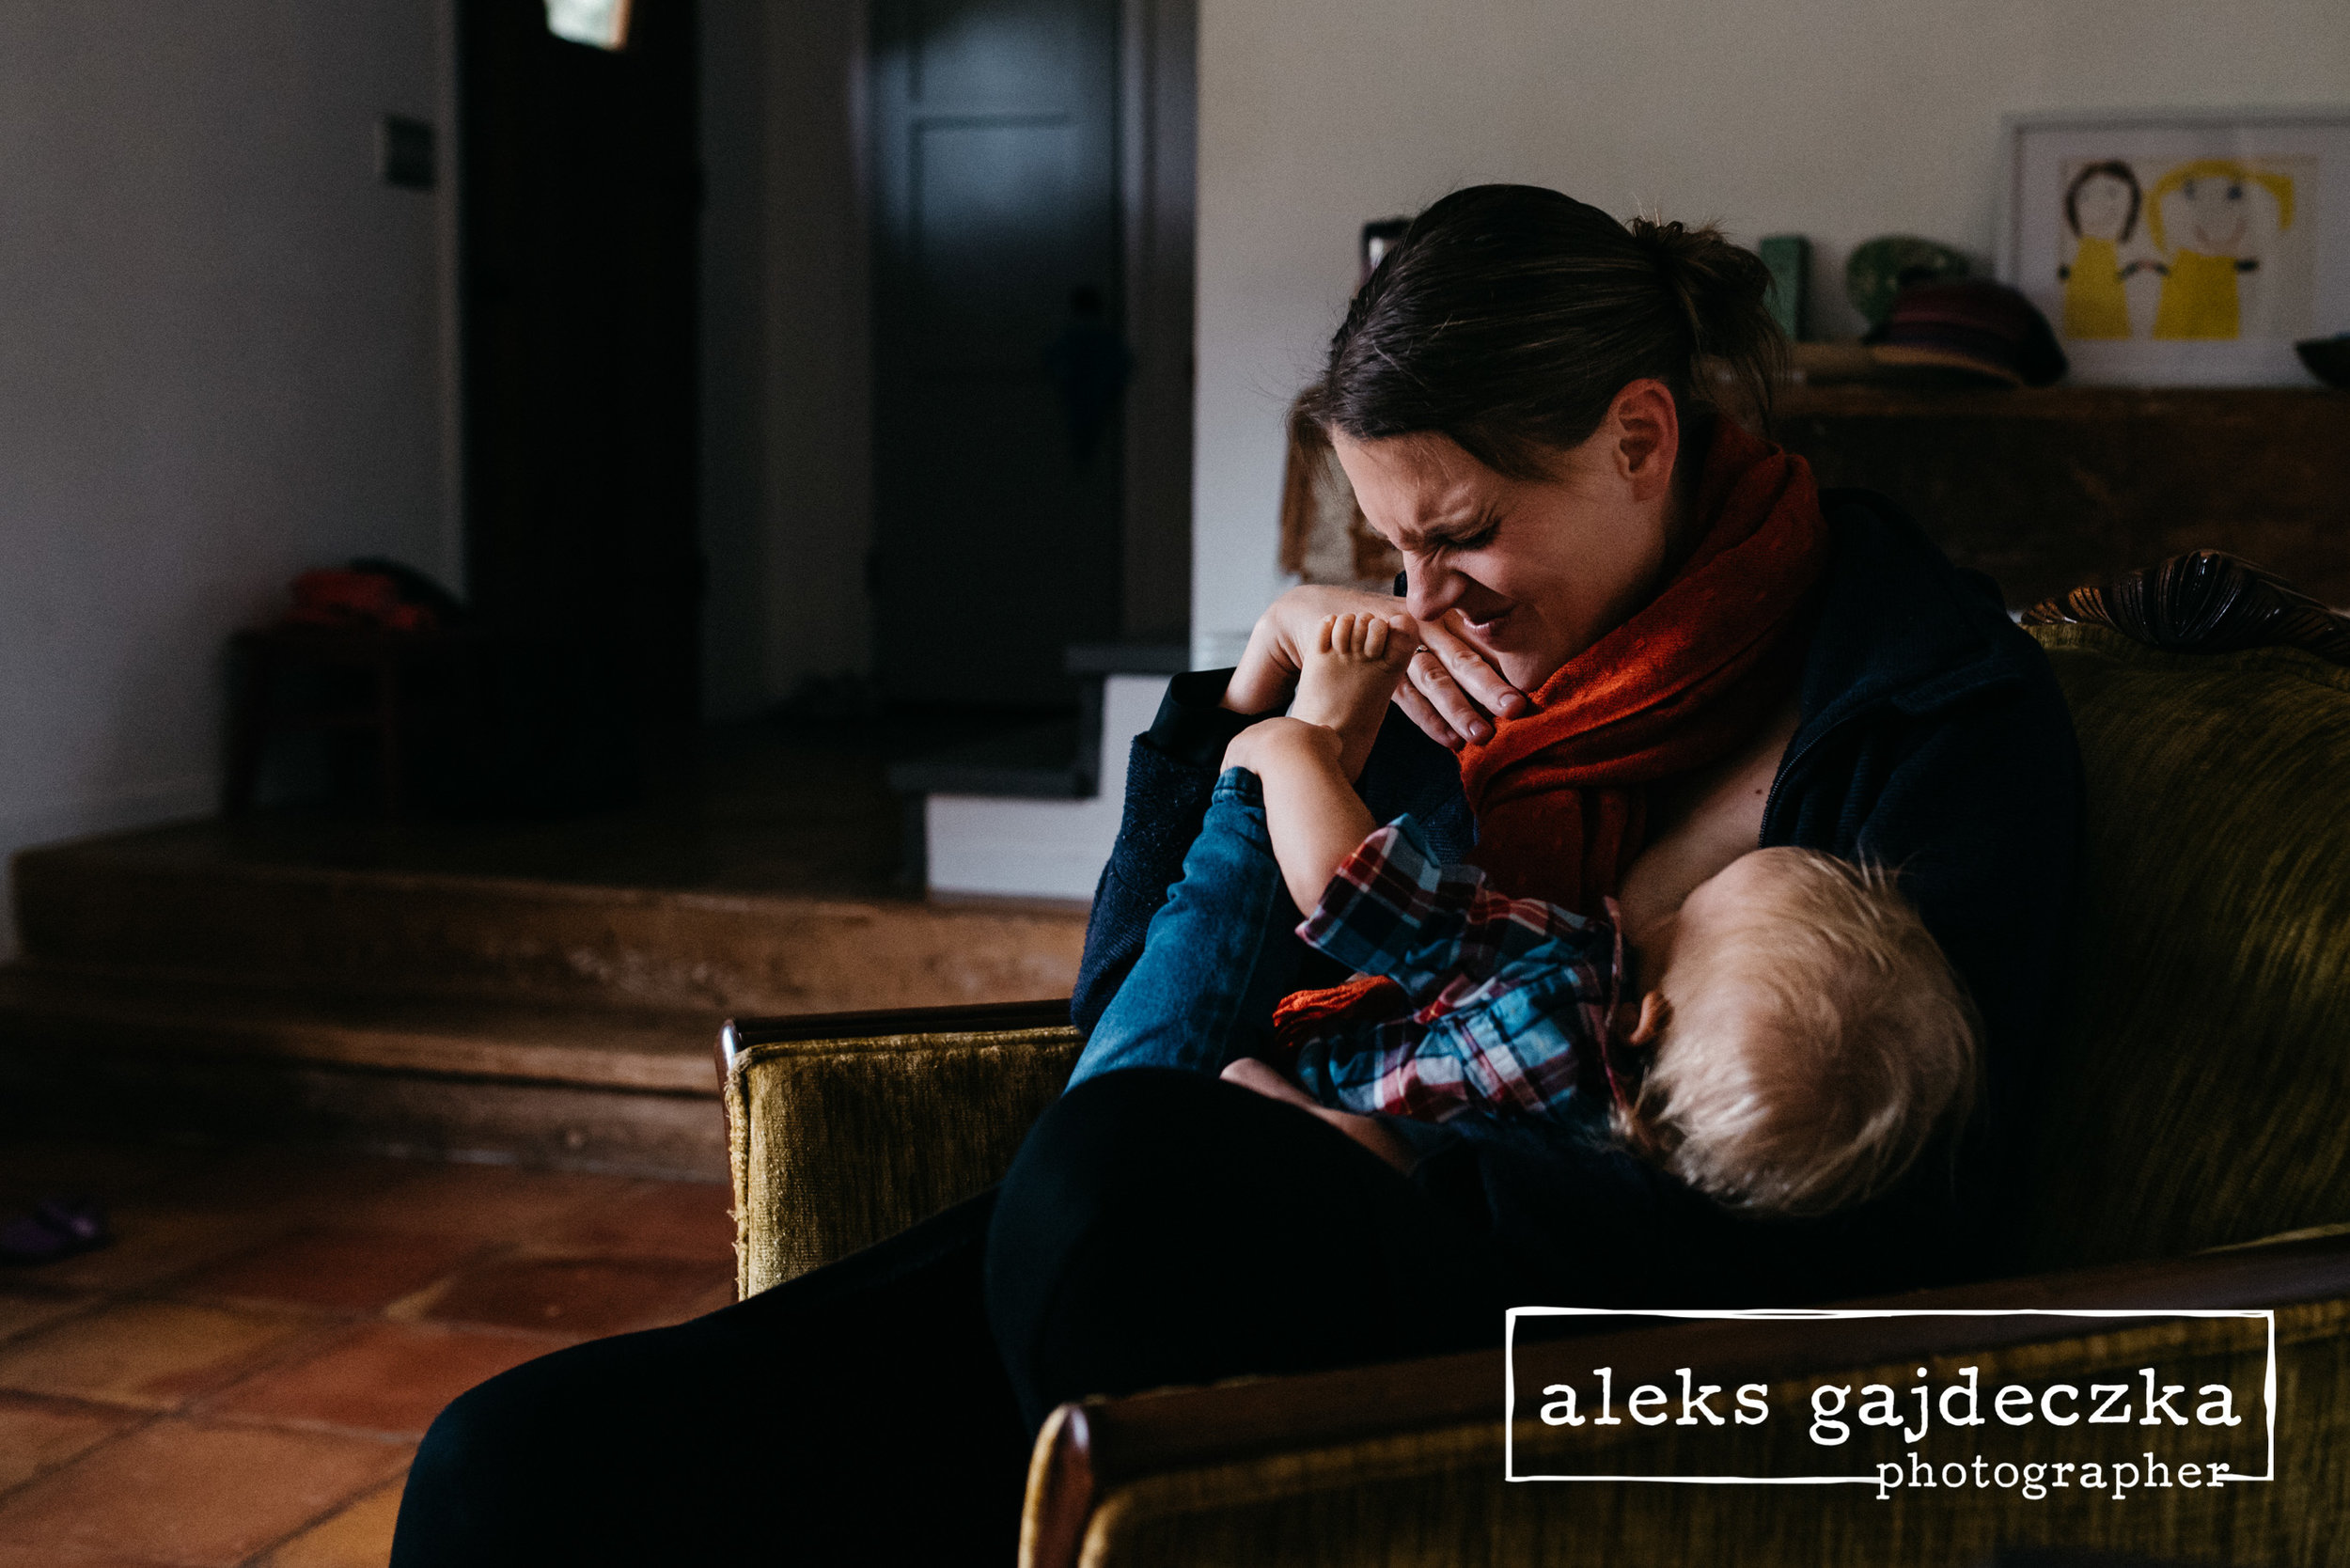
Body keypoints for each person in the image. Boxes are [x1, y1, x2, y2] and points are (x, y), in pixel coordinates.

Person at [392, 185, 2082, 1564]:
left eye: (1468, 531)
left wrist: (1403, 1163)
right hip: (1162, 1254)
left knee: (1117, 1186)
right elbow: (1127, 1024)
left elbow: (1926, 1198)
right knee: (513, 1465)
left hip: (1556, 1337)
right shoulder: (1423, 680)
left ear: (1643, 437)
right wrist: (1246, 712)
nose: (1430, 595)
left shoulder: (1928, 711)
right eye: (1389, 542)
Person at [1073, 607, 1980, 1220]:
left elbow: (1368, 895)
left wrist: (1294, 752)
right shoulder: (1625, 1159)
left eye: (1711, 898)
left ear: (1649, 1010)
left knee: (1118, 1120)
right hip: (1269, 1222)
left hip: (1179, 1159)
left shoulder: (1566, 985)